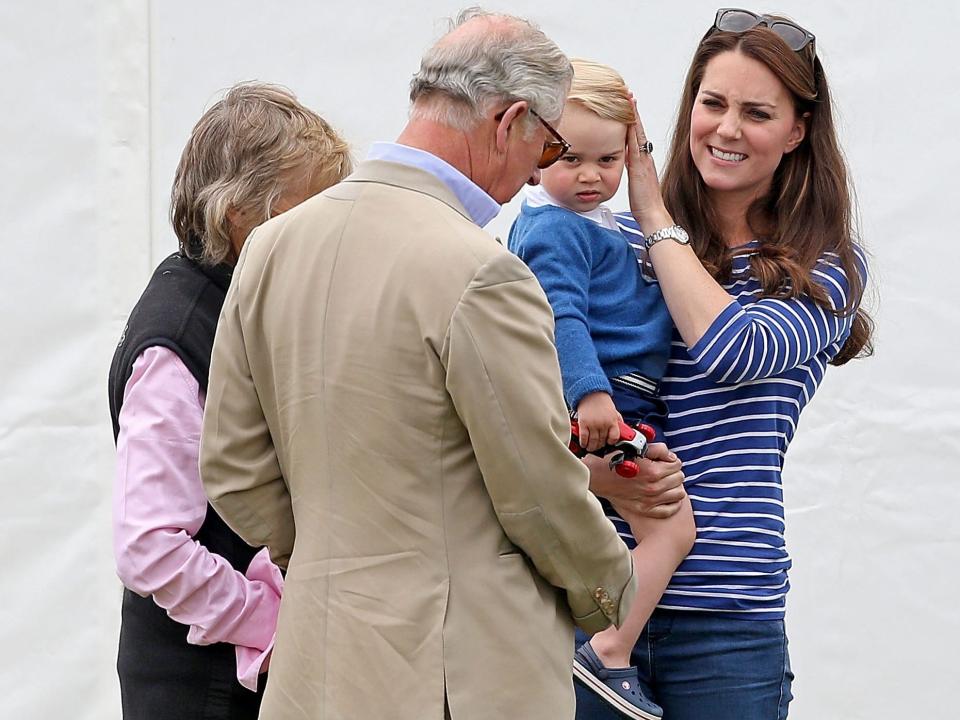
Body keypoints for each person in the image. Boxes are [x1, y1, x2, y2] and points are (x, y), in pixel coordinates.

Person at [197, 9, 688, 720]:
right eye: (548, 148)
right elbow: (538, 492)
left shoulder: (271, 248)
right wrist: (610, 586)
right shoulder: (481, 271)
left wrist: (342, 565)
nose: (533, 177)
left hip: (313, 669)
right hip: (463, 678)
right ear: (509, 120)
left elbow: (233, 469)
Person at [575, 9, 874, 720]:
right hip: (588, 598)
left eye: (757, 112)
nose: (727, 129)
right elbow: (529, 383)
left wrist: (655, 218)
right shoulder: (604, 242)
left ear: (798, 131)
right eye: (713, 104)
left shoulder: (824, 267)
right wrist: (585, 471)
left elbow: (732, 349)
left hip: (725, 623)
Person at [108, 82, 352, 720]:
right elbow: (150, 544)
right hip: (203, 685)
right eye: (308, 210)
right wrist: (270, 622)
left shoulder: (242, 300)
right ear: (238, 211)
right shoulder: (179, 335)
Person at [508, 58, 695, 720]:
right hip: (604, 406)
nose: (591, 177)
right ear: (534, 156)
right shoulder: (552, 229)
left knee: (632, 528)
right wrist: (590, 397)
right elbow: (561, 317)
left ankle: (603, 640)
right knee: (672, 528)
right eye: (572, 160)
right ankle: (607, 649)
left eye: (608, 160)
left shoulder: (597, 224)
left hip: (622, 401)